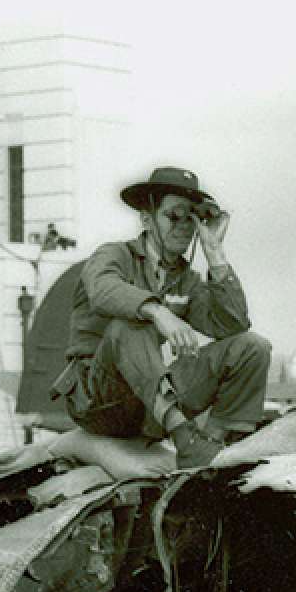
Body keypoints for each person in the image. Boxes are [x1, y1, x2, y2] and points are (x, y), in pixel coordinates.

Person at [49, 165, 272, 467]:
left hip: (148, 403)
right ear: (147, 218)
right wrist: (156, 311)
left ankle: (214, 446)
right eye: (174, 216)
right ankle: (185, 437)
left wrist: (215, 252)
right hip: (100, 401)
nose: (184, 227)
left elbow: (231, 325)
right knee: (130, 325)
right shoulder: (113, 255)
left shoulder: (186, 279)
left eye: (192, 218)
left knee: (251, 347)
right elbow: (102, 290)